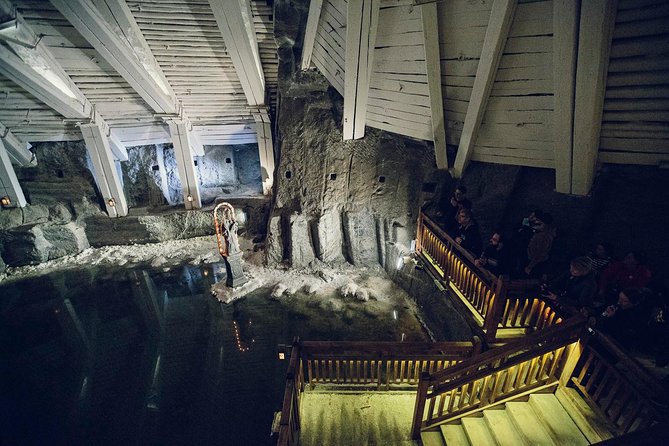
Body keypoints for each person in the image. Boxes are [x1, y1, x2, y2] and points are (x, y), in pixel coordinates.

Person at [523, 212, 557, 278]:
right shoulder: (541, 232)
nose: (536, 221)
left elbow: (540, 253)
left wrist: (530, 266)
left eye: (539, 221)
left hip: (535, 263)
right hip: (532, 259)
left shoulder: (544, 236)